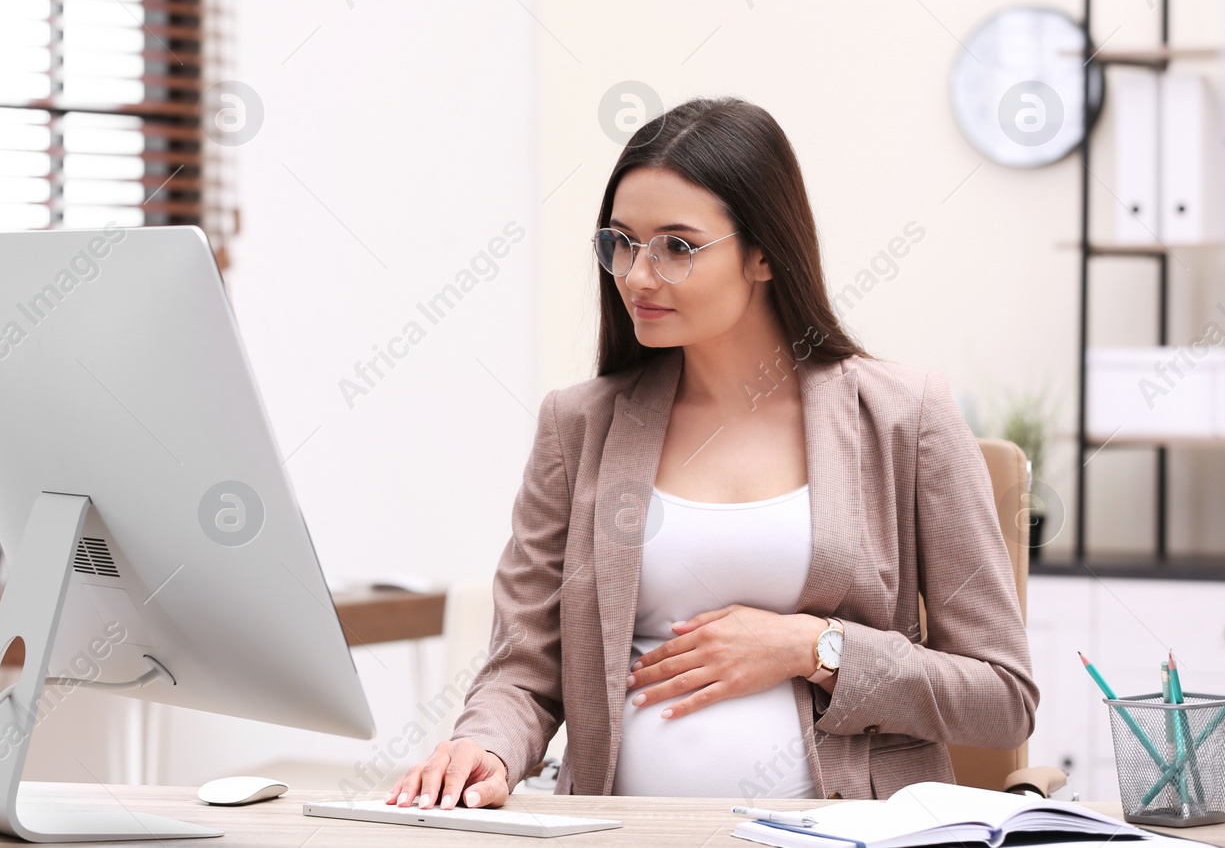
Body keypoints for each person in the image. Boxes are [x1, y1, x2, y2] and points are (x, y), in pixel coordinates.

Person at [385, 95, 1038, 811]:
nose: (636, 274)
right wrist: (486, 744)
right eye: (622, 242)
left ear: (764, 253)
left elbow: (1001, 696)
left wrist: (814, 648)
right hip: (615, 833)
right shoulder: (577, 425)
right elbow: (524, 671)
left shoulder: (904, 416)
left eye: (677, 246)